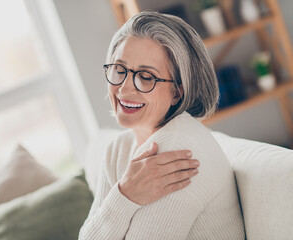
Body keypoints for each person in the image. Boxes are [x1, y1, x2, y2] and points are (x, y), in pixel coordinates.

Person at [79, 11, 245, 239]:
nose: (124, 89)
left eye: (146, 77)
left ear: (178, 92)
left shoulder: (177, 150)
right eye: (119, 70)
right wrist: (125, 194)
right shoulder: (117, 148)